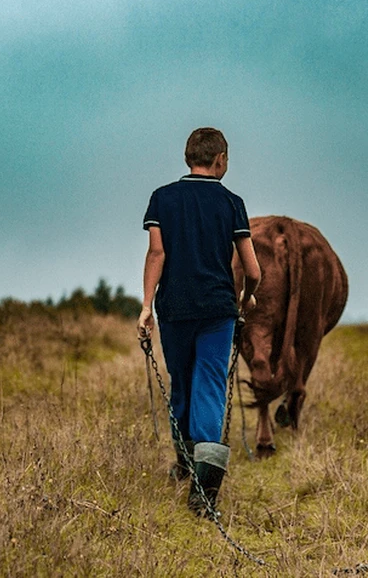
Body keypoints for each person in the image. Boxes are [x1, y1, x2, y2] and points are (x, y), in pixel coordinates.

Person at [138, 127, 261, 517]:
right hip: (217, 310)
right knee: (209, 386)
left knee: (182, 385)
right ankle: (203, 496)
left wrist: (145, 307)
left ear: (188, 157)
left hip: (173, 308)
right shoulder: (232, 203)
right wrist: (246, 296)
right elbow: (252, 268)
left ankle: (183, 462)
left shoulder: (163, 198)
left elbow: (156, 253)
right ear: (220, 159)